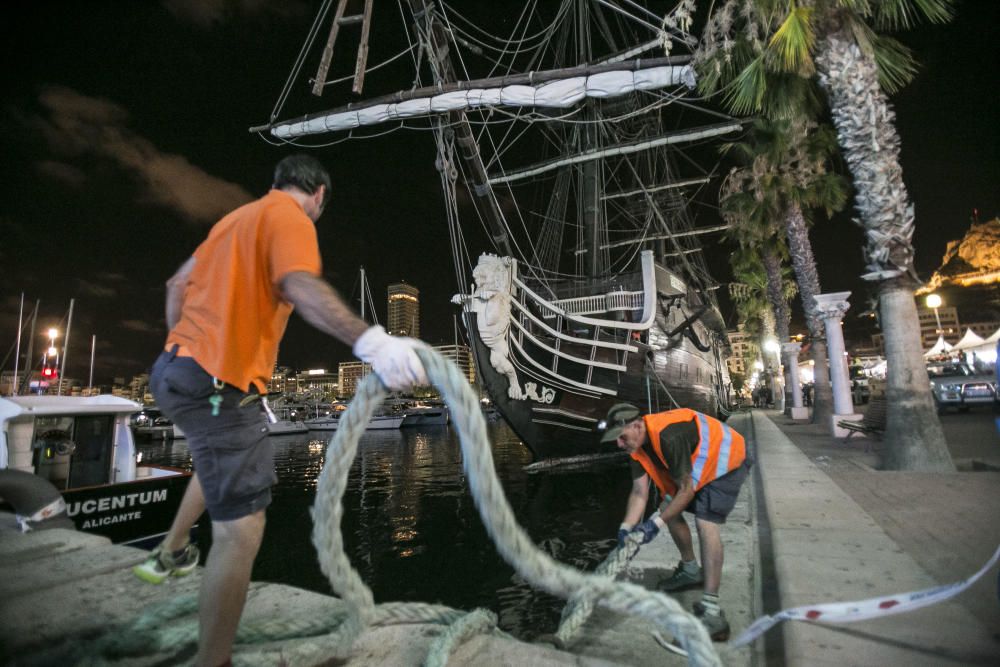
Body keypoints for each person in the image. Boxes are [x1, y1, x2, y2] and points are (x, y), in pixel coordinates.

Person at [132, 154, 428, 667]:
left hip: (172, 371)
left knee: (217, 456)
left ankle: (171, 551)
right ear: (317, 196)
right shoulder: (289, 218)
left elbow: (175, 286)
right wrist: (372, 342)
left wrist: (184, 344)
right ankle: (213, 660)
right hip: (220, 382)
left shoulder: (232, 221)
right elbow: (299, 284)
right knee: (241, 529)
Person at [601, 403, 748, 641]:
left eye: (621, 437)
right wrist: (625, 528)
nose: (619, 444)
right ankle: (691, 570)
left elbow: (687, 491)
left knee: (705, 520)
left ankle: (713, 614)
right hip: (699, 463)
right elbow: (639, 493)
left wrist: (655, 525)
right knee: (665, 506)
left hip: (727, 456)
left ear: (637, 425)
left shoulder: (668, 436)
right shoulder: (636, 448)